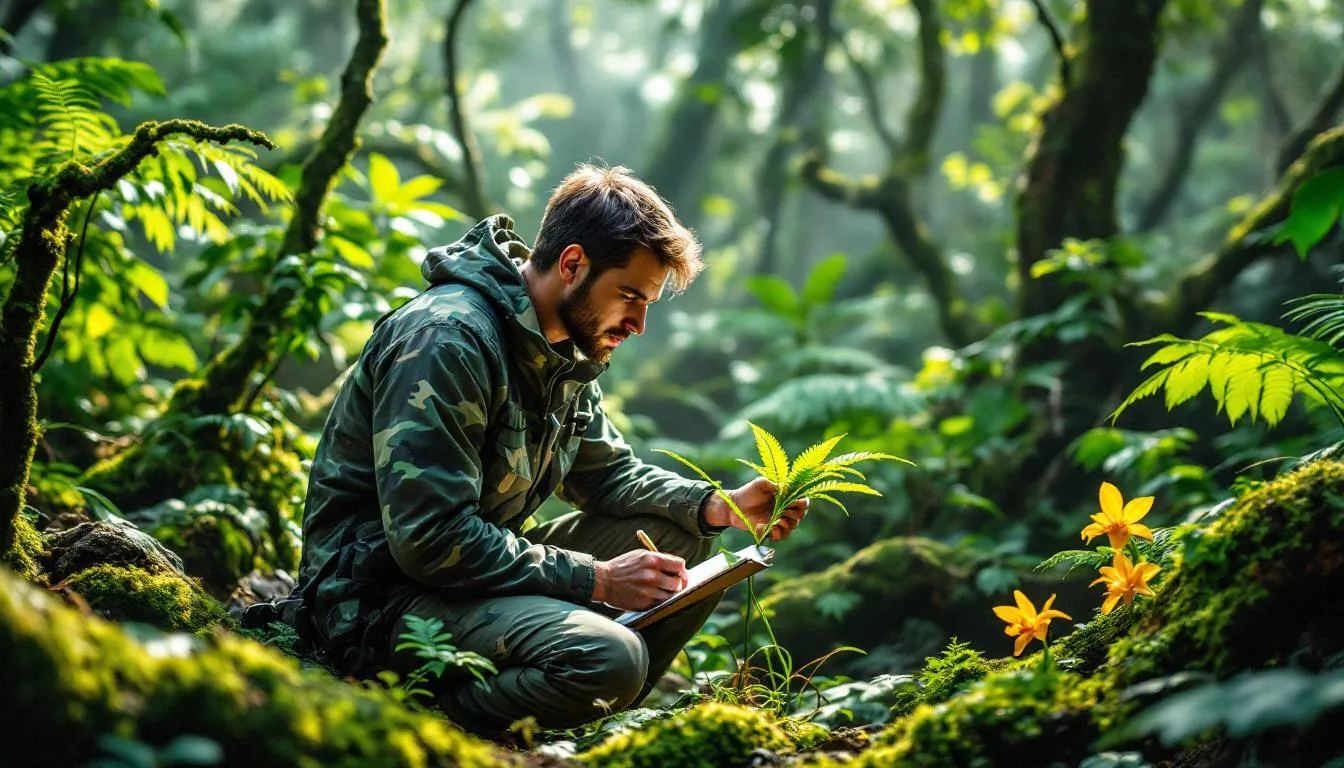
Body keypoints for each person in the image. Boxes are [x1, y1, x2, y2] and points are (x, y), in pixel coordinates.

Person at [291, 164, 809, 736]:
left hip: (461, 579)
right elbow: (430, 540)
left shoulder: (561, 351)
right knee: (610, 660)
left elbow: (606, 477)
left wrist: (718, 505)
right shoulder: (448, 339)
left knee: (682, 538)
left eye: (648, 304)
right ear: (572, 265)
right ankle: (420, 722)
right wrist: (598, 580)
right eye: (630, 296)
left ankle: (571, 714)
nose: (637, 324)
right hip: (374, 602)